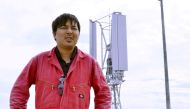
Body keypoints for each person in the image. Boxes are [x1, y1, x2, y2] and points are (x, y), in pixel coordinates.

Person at [10, 13, 111, 109]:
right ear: (54, 34)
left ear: (78, 34)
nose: (69, 31)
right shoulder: (38, 61)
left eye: (74, 28)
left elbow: (104, 93)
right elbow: (19, 90)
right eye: (63, 27)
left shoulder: (90, 63)